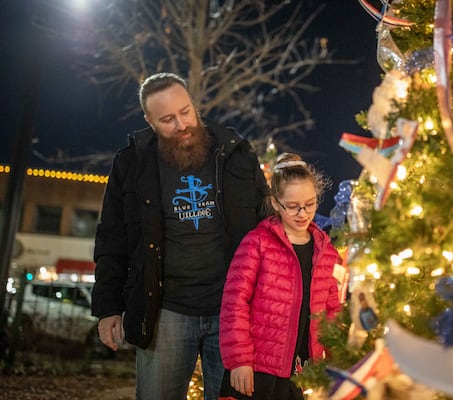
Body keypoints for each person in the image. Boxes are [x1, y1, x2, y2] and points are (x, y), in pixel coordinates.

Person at [91, 72, 269, 400]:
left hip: (232, 311)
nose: (182, 124)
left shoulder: (236, 153)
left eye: (186, 111)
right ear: (149, 120)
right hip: (164, 312)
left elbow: (267, 227)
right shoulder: (131, 164)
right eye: (168, 119)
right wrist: (107, 308)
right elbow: (112, 238)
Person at [219, 153, 342, 399]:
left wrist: (337, 358)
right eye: (293, 206)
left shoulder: (326, 252)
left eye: (310, 204)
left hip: (303, 371)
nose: (303, 213)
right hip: (258, 371)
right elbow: (234, 303)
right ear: (275, 203)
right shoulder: (257, 243)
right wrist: (239, 360)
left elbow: (332, 310)